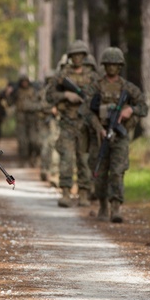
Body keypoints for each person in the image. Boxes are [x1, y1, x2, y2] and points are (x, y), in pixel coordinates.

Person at [87, 47, 147, 223]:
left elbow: (144, 107)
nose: (112, 68)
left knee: (117, 172)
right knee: (99, 171)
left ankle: (116, 207)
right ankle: (103, 205)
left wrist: (131, 109)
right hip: (101, 135)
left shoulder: (128, 88)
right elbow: (86, 110)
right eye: (109, 64)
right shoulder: (95, 86)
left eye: (115, 65)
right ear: (104, 66)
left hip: (120, 136)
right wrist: (99, 127)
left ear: (120, 66)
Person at [46, 40, 97, 208]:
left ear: (84, 56)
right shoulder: (62, 75)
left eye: (80, 55)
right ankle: (66, 193)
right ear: (70, 57)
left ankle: (83, 194)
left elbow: (100, 96)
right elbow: (49, 95)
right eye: (74, 55)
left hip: (85, 124)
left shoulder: (92, 76)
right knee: (66, 159)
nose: (77, 58)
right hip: (67, 122)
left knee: (84, 159)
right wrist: (66, 95)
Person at [14, 76, 44, 167]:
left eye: (25, 81)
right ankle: (23, 160)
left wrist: (32, 107)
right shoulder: (17, 92)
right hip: (21, 120)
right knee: (23, 142)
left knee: (33, 141)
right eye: (22, 81)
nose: (24, 83)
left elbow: (40, 104)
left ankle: (33, 157)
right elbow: (9, 101)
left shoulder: (34, 91)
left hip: (32, 120)